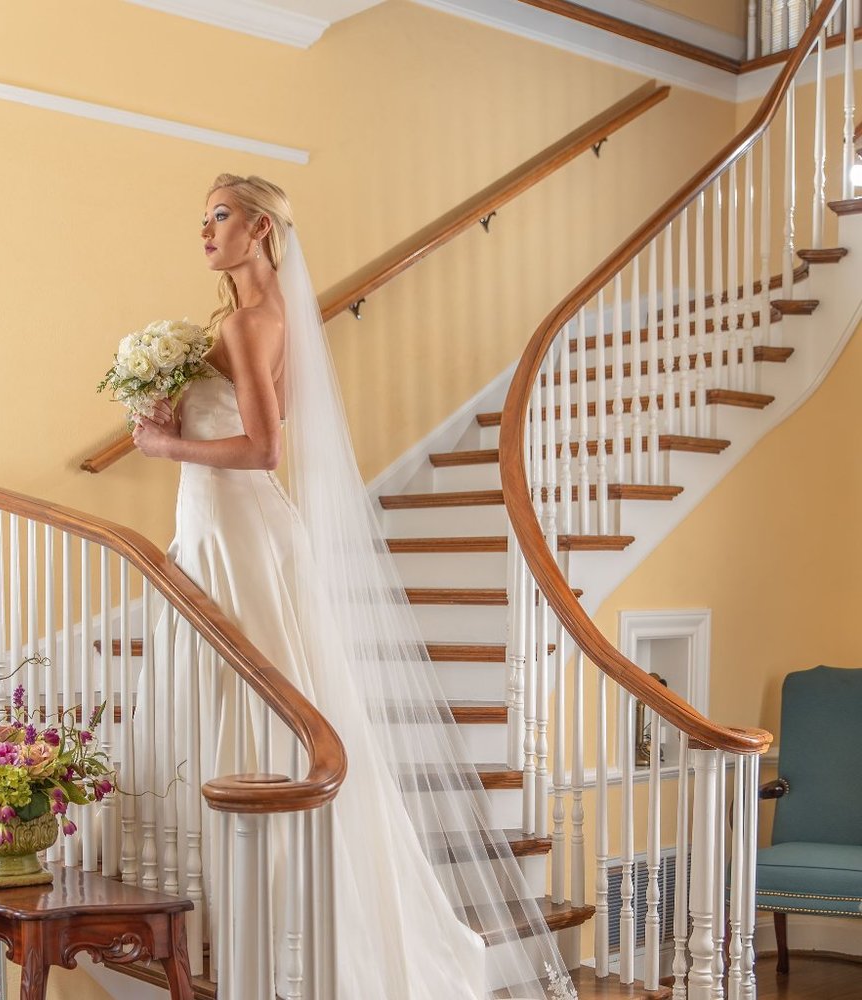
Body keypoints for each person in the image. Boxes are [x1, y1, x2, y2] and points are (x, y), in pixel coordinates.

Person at [130, 173, 577, 1000]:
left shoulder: (243, 320)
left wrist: (165, 448)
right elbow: (268, 422)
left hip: (239, 526)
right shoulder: (272, 318)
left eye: (219, 217)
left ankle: (266, 897)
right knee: (256, 694)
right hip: (231, 528)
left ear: (259, 229)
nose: (204, 232)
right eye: (202, 219)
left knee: (262, 698)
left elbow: (264, 450)